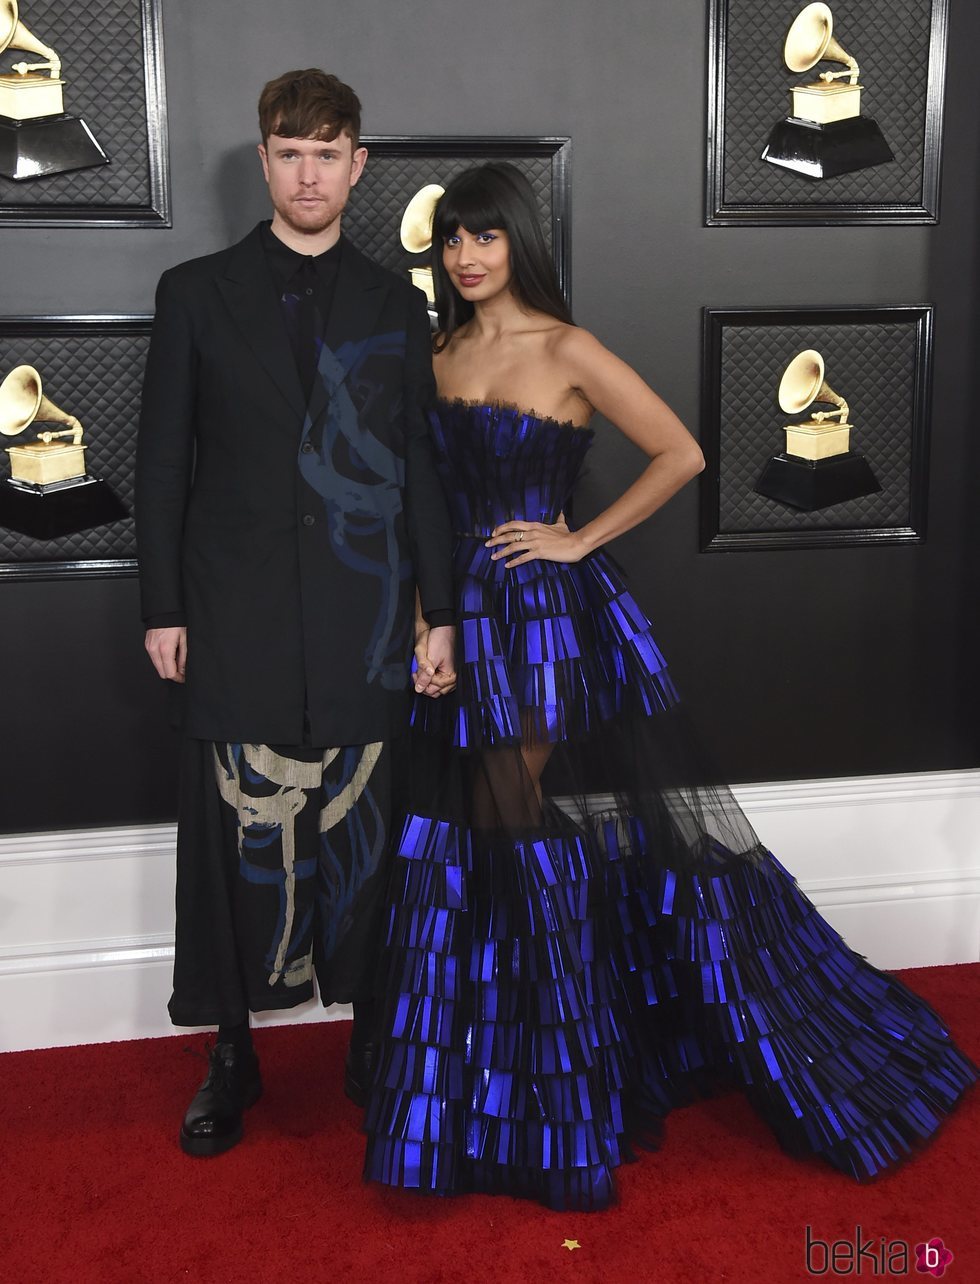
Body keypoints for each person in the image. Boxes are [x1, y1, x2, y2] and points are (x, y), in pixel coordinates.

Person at [361, 163, 977, 1210]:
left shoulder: (567, 348)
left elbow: (682, 452)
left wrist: (576, 540)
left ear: (519, 241)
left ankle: (547, 1083)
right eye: (451, 241)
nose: (465, 257)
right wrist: (427, 616)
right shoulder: (435, 353)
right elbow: (416, 501)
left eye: (485, 238)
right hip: (456, 617)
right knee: (476, 834)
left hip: (543, 621)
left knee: (503, 815)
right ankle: (498, 1072)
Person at [135, 69, 455, 1158]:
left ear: (357, 165)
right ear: (263, 159)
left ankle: (372, 1037)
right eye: (289, 151)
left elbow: (417, 466)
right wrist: (162, 605)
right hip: (233, 610)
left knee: (365, 829)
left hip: (366, 613)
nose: (308, 172)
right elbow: (165, 459)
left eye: (329, 153)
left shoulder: (396, 306)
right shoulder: (193, 293)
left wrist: (439, 612)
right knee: (231, 833)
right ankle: (233, 1051)